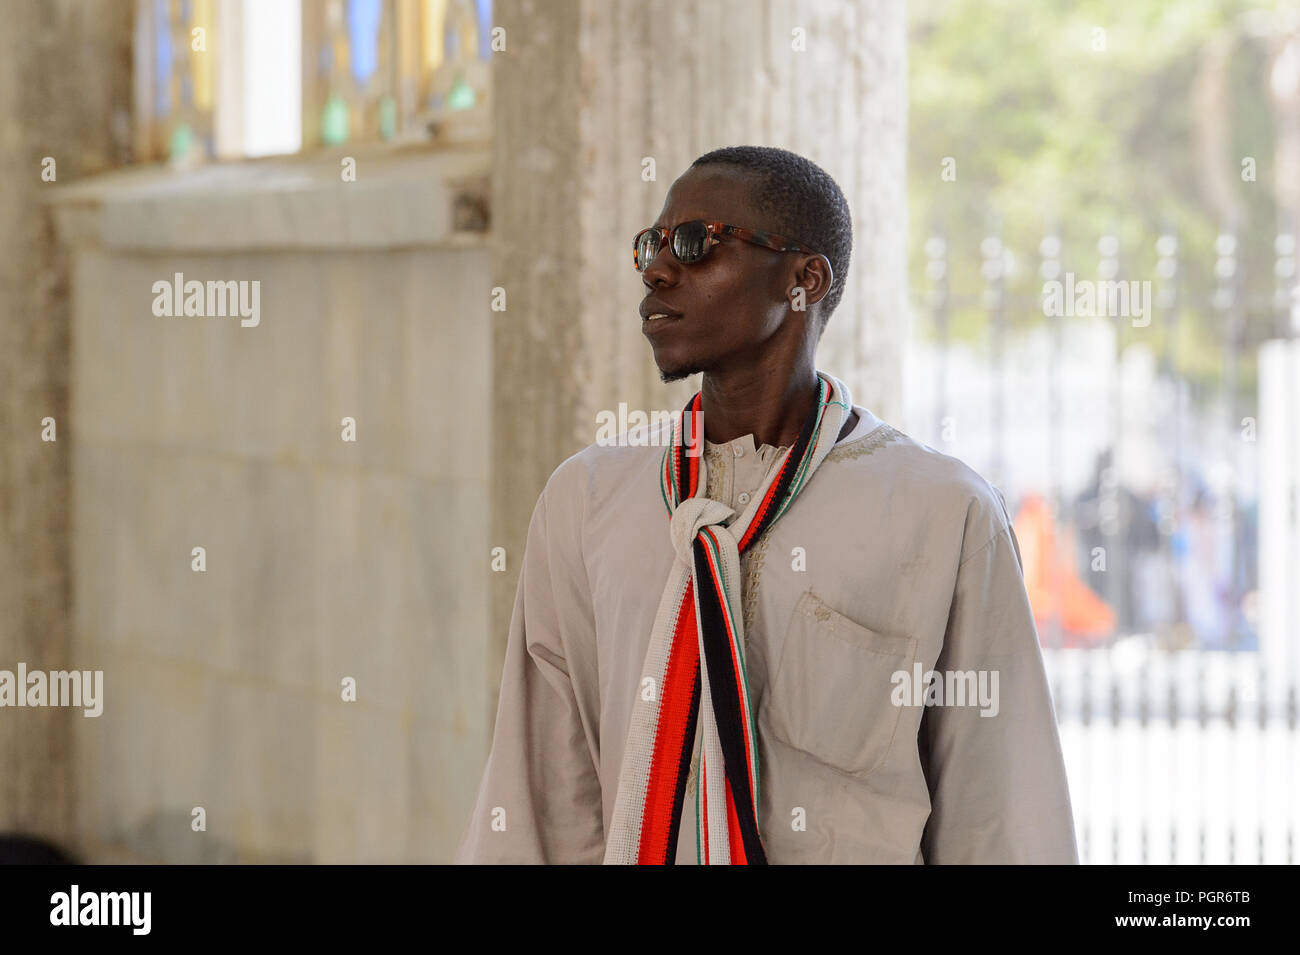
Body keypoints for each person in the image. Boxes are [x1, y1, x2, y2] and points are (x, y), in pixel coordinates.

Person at [456, 145, 1078, 864]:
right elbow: (540, 799)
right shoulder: (589, 500)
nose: (659, 268)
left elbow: (997, 811)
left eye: (696, 244)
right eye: (651, 246)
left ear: (804, 279)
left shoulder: (941, 514)